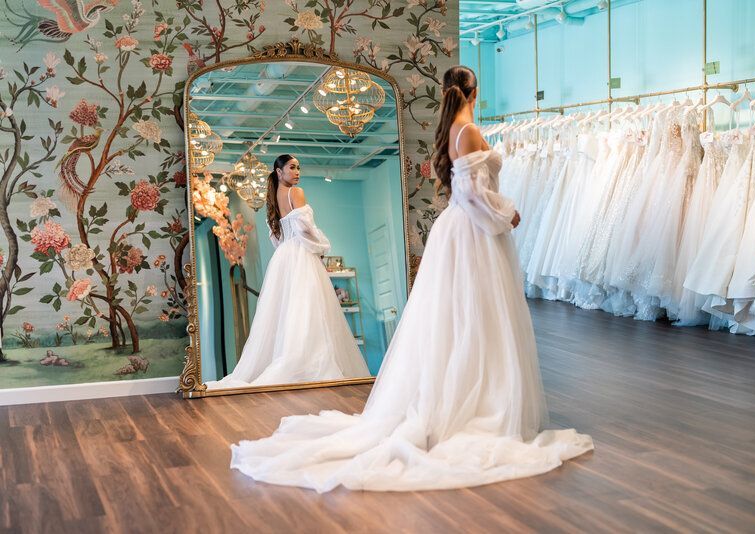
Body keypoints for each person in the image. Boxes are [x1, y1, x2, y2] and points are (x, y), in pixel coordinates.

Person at [227, 68, 593, 492]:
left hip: (458, 231)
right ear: (474, 91)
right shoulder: (468, 129)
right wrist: (507, 212)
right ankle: (482, 404)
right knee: (480, 316)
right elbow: (475, 195)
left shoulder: (452, 128)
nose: (296, 170)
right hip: (474, 232)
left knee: (463, 318)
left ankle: (467, 397)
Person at [206, 154, 369, 389]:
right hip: (301, 254)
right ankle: (306, 362)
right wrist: (322, 247)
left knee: (289, 309)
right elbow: (305, 229)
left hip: (284, 256)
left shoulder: (275, 198)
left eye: (298, 168)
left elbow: (277, 237)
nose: (297, 172)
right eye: (292, 168)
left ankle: (295, 358)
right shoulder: (296, 193)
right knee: (309, 307)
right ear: (279, 171)